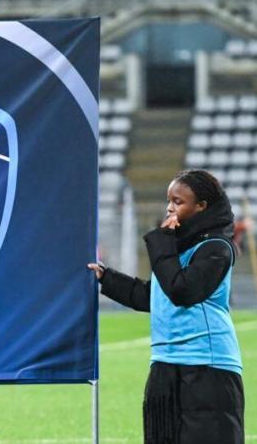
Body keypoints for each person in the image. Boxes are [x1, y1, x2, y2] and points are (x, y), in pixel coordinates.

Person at [88, 169, 244, 444]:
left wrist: (161, 244)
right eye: (168, 200)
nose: (170, 207)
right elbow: (153, 296)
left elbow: (181, 290)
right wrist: (106, 278)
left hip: (207, 369)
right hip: (165, 365)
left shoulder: (217, 248)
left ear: (201, 207)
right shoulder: (177, 249)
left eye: (178, 201)